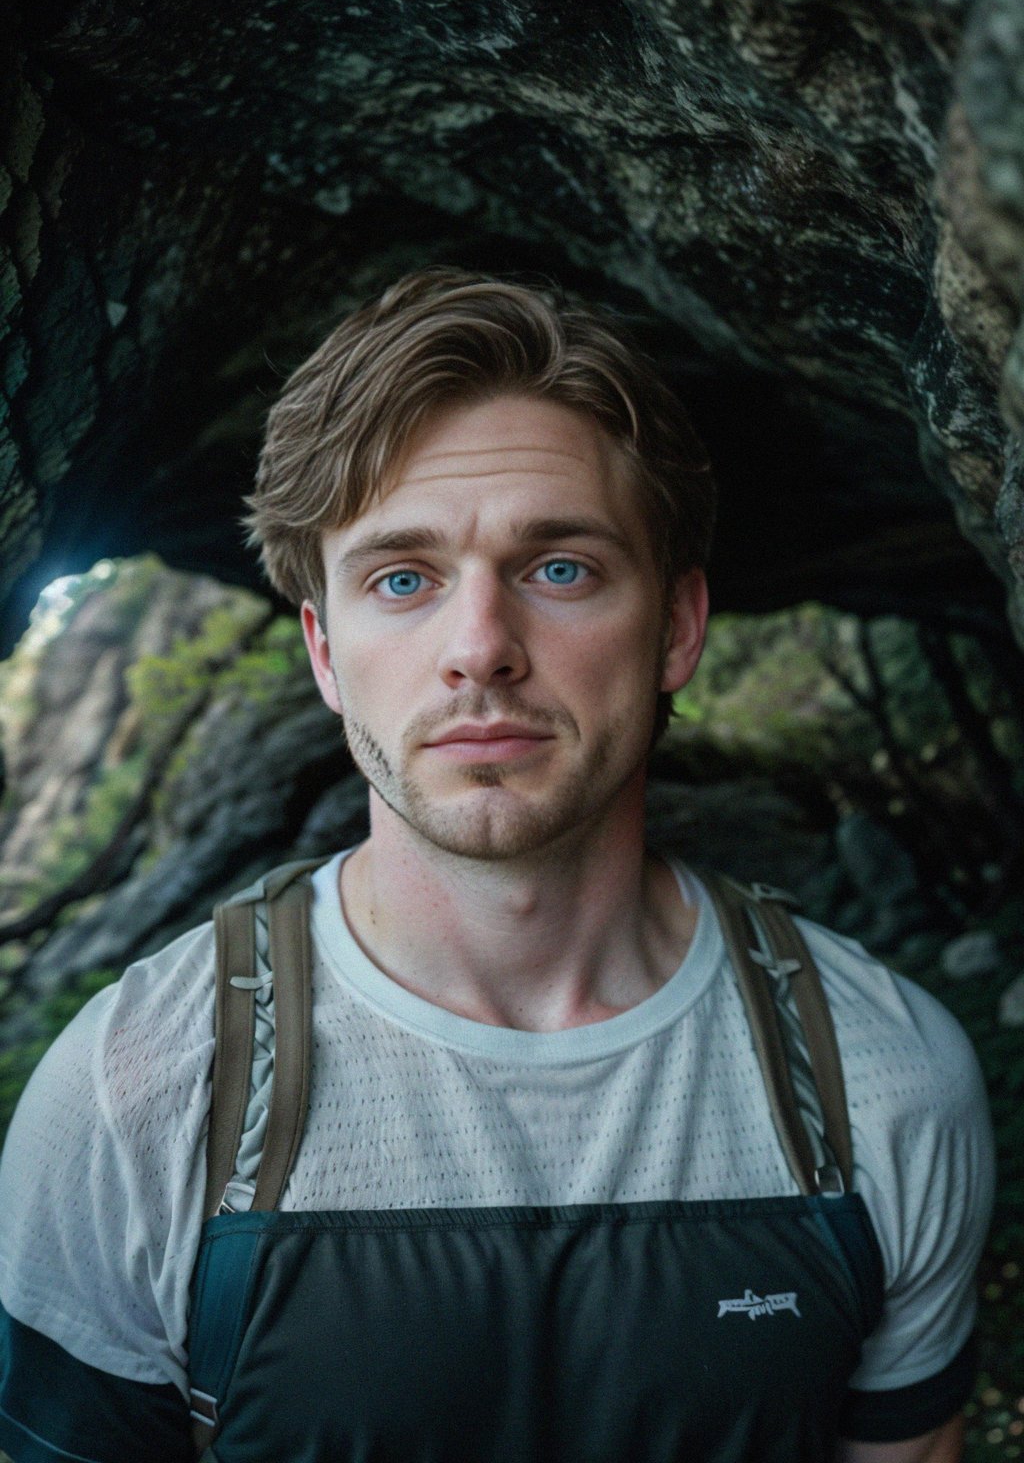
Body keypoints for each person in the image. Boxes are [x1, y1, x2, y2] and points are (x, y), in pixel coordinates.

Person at [0, 268, 995, 1463]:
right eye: (402, 579)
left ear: (677, 628)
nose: (480, 649)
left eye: (558, 567)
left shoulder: (882, 1081)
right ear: (325, 650)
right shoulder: (138, 1097)